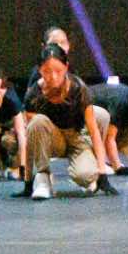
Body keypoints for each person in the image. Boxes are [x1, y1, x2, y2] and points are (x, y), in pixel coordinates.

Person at [21, 43, 113, 198]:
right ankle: (43, 178)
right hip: (52, 140)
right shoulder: (34, 95)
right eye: (47, 71)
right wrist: (28, 181)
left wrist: (102, 174)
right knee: (37, 121)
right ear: (39, 70)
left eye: (58, 71)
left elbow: (94, 132)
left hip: (76, 138)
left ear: (66, 67)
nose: (53, 77)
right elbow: (30, 140)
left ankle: (90, 171)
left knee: (86, 175)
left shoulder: (78, 89)